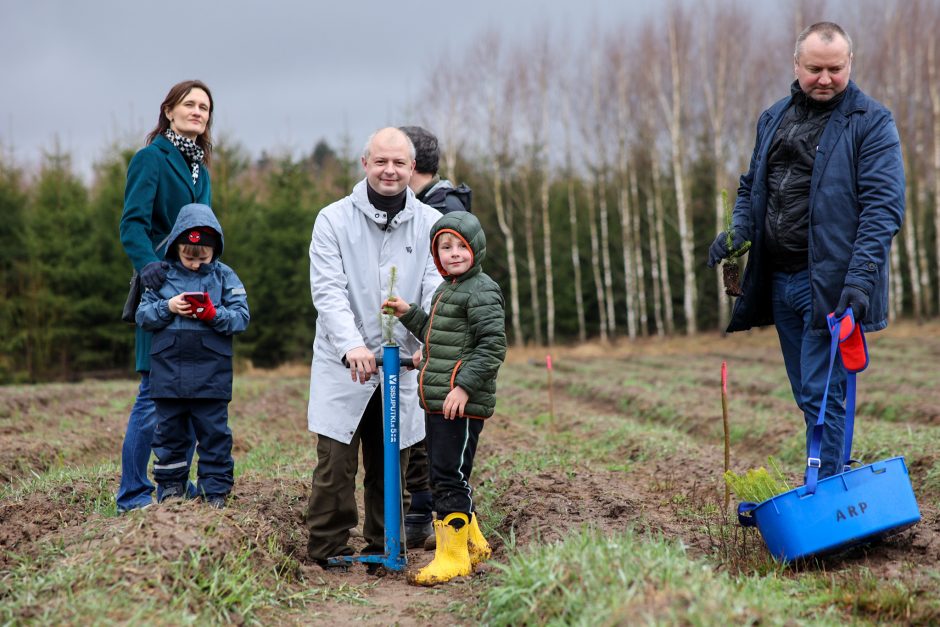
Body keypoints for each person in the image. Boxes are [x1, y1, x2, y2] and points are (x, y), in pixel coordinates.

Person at [707, 22, 904, 481]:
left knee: (823, 392)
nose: (825, 78)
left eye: (835, 69)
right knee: (808, 392)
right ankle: (831, 480)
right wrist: (737, 233)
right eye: (814, 68)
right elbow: (751, 186)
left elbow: (883, 208)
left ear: (849, 64)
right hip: (781, 280)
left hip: (832, 284)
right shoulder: (774, 117)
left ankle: (828, 491)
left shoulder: (871, 122)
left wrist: (859, 280)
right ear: (796, 65)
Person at [305, 127, 444, 568]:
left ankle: (386, 546)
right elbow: (328, 291)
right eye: (381, 162)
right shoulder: (333, 219)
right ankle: (327, 549)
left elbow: (436, 288)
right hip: (344, 363)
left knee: (392, 465)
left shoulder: (428, 224)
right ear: (365, 164)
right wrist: (351, 346)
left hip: (401, 362)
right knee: (335, 467)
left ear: (412, 169)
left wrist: (428, 341)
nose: (390, 171)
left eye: (399, 163)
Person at [383, 210, 507, 586]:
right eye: (445, 247)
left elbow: (491, 346)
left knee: (447, 478)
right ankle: (474, 543)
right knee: (451, 473)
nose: (453, 253)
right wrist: (411, 316)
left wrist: (463, 387)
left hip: (459, 403)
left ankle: (451, 557)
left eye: (461, 246)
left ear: (476, 249)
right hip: (440, 400)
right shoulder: (447, 288)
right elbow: (443, 334)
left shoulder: (481, 289)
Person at [117, 80, 214, 513]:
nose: (198, 111)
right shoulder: (150, 160)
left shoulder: (202, 170)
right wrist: (147, 264)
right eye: (190, 104)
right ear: (170, 110)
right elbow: (132, 224)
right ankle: (133, 494)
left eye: (205, 107)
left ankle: (173, 486)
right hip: (159, 286)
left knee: (191, 394)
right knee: (154, 395)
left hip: (197, 288)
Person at [135, 203, 249, 508]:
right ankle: (171, 491)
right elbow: (142, 316)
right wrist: (168, 307)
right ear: (176, 248)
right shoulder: (162, 276)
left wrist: (213, 314)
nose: (196, 264)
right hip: (168, 374)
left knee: (214, 437)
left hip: (212, 376)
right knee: (169, 437)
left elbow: (241, 317)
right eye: (189, 257)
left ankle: (215, 494)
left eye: (203, 257)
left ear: (215, 249)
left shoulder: (225, 277)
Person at [398, 125, 472, 549]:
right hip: (431, 332)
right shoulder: (439, 201)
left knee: (434, 435)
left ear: (414, 166)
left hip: (443, 342)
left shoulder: (440, 209)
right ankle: (426, 515)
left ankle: (433, 522)